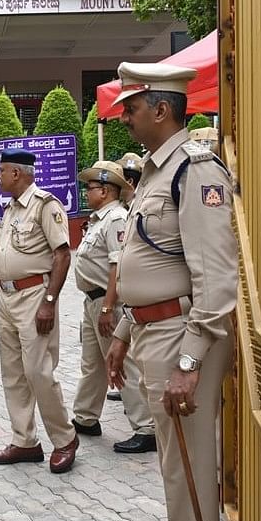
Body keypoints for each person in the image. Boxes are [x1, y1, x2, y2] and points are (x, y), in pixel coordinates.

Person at [104, 62, 237, 521]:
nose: (126, 119)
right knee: (177, 472)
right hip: (154, 329)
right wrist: (123, 331)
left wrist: (189, 361)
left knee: (188, 474)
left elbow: (217, 277)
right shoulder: (159, 172)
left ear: (161, 109)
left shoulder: (196, 171)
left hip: (182, 336)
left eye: (132, 108)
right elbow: (150, 265)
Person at [0, 148, 79, 474]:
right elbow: (3, 258)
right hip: (7, 299)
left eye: (1, 171)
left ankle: (65, 439)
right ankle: (25, 442)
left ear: (17, 174)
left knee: (38, 372)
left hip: (35, 296)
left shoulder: (45, 206)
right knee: (13, 374)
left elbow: (62, 255)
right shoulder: (9, 210)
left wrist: (49, 302)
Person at [69, 160, 156, 452]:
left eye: (91, 188)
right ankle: (85, 417)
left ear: (105, 190)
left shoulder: (116, 218)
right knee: (92, 364)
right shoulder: (98, 219)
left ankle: (146, 427)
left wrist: (108, 308)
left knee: (121, 365)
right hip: (91, 302)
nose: (86, 193)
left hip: (108, 304)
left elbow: (116, 266)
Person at [106, 152, 143, 405]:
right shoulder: (127, 209)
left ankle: (141, 413)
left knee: (136, 356)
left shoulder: (131, 209)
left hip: (142, 300)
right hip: (133, 299)